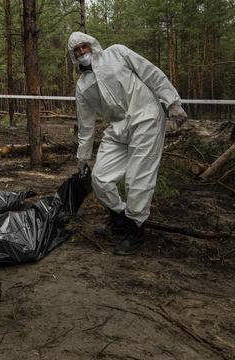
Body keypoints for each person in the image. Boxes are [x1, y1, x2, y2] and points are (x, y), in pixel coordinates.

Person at [68, 32, 188, 256]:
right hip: (118, 128)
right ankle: (120, 218)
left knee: (137, 179)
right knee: (100, 178)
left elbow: (150, 72)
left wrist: (172, 102)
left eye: (84, 47)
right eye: (77, 51)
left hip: (146, 118)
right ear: (73, 56)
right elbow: (85, 124)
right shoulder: (82, 85)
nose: (82, 52)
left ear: (92, 45)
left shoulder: (117, 53)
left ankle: (135, 229)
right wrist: (82, 156)